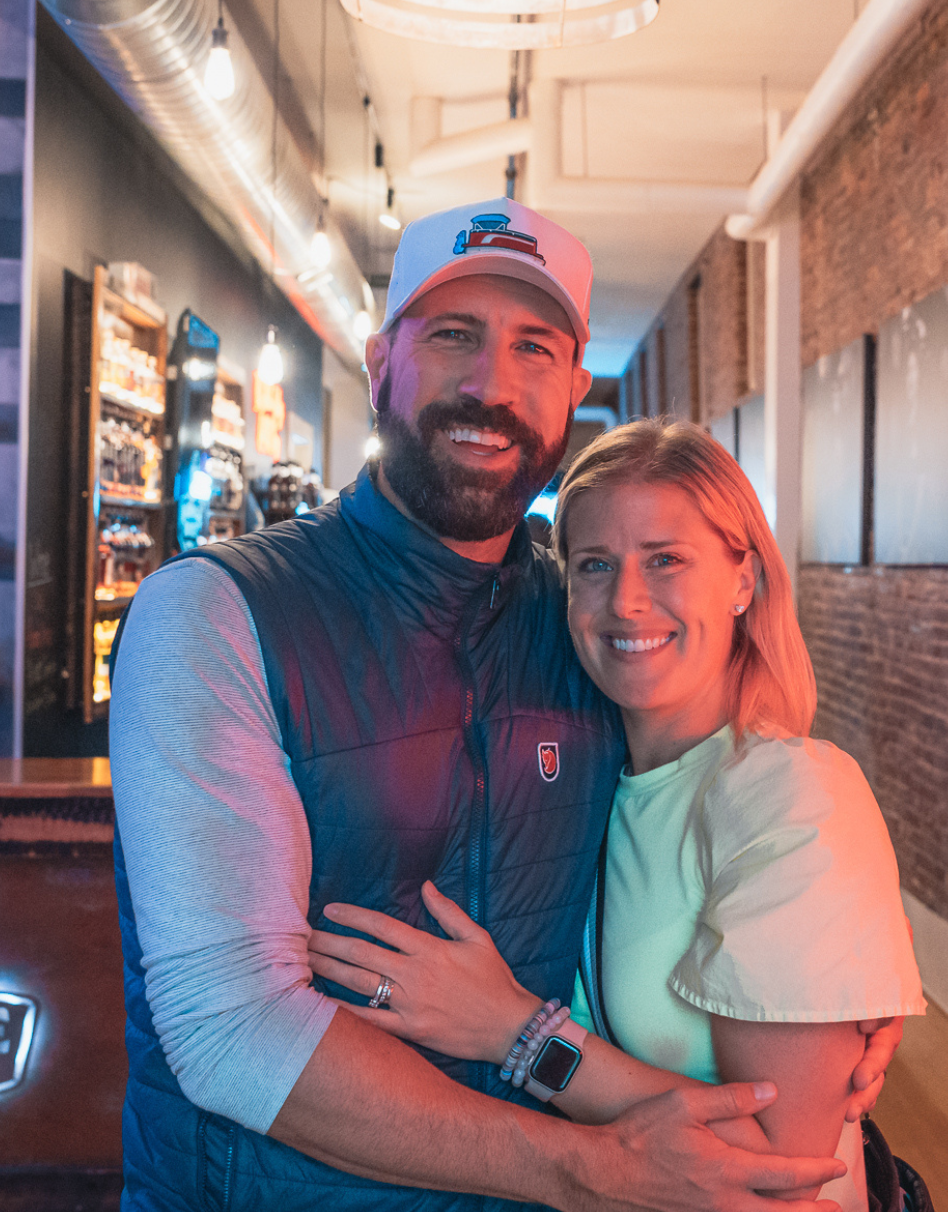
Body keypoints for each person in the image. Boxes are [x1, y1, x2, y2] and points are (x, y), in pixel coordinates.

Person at [109, 197, 902, 1211]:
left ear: (572, 385)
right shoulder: (216, 612)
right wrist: (579, 1166)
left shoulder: (580, 626)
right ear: (378, 357)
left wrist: (829, 987)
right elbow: (227, 1029)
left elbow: (735, 823)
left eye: (534, 347)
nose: (490, 384)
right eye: (453, 336)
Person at [308, 420, 925, 1211]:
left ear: (744, 579)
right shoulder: (592, 775)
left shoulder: (796, 797)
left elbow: (783, 1173)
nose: (626, 602)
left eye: (666, 559)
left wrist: (517, 1035)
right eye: (595, 566)